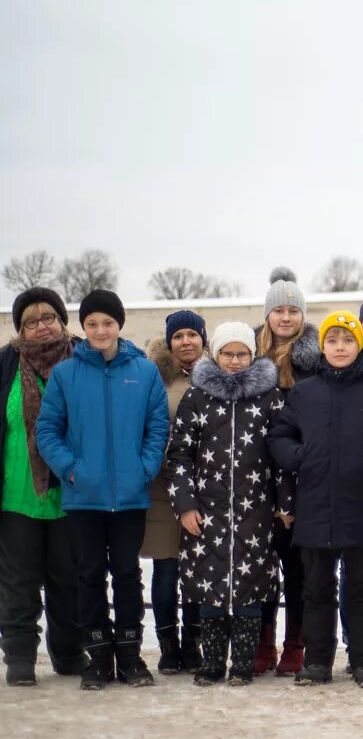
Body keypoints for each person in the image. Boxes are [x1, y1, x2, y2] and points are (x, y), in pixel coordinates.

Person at [36, 289, 169, 690]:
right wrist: (71, 470)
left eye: (107, 322)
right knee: (90, 575)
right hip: (84, 498)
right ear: (84, 327)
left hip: (130, 496)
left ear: (119, 325)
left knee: (127, 575)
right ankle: (98, 656)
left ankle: (130, 655)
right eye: (92, 323)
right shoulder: (65, 373)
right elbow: (48, 430)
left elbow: (157, 427)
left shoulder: (144, 372)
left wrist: (144, 469)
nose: (99, 330)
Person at [268, 311, 363, 687]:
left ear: (359, 346)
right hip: (315, 506)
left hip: (361, 505)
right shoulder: (304, 393)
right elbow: (279, 436)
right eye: (332, 340)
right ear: (322, 346)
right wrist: (299, 457)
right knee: (317, 588)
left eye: (347, 340)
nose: (340, 347)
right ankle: (317, 660)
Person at [166, 322, 285, 686]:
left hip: (256, 512)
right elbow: (179, 456)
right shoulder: (196, 397)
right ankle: (212, 662)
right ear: (215, 356)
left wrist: (284, 504)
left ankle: (243, 665)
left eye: (242, 354)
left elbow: (282, 457)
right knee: (211, 590)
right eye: (228, 354)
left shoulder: (271, 398)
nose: (235, 361)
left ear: (253, 356)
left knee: (251, 590)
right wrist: (185, 505)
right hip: (206, 513)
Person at [0, 288, 86, 686]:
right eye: (30, 321)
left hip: (73, 491)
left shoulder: (83, 358)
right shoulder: (5, 364)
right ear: (20, 328)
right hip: (16, 493)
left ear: (62, 320)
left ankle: (69, 653)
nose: (41, 327)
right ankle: (19, 656)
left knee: (68, 578)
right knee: (18, 579)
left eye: (49, 317)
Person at [254, 271, 321, 676]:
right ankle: (263, 639)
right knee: (260, 563)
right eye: (278, 310)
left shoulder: (314, 363)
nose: (285, 317)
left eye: (293, 310)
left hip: (301, 474)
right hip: (255, 479)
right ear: (267, 315)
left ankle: (295, 642)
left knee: (297, 566)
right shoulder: (249, 359)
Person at [143, 310, 206, 675]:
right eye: (179, 335)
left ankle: (193, 642)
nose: (186, 341)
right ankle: (167, 645)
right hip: (163, 486)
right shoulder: (156, 380)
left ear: (203, 339)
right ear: (169, 342)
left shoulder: (214, 379)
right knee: (166, 568)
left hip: (204, 487)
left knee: (197, 569)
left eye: (192, 335)